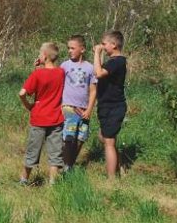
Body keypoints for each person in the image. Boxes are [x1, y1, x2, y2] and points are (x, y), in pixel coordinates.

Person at [18, 42, 65, 186]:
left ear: (44, 56)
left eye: (40, 54)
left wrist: (29, 105)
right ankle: (52, 183)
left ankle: (24, 180)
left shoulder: (37, 74)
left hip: (39, 118)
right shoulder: (61, 72)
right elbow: (49, 78)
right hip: (56, 118)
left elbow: (22, 93)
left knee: (33, 150)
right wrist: (39, 68)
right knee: (55, 153)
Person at [93, 30, 127, 180]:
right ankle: (119, 163)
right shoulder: (112, 62)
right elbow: (99, 70)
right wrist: (99, 54)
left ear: (114, 45)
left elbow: (99, 73)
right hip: (106, 105)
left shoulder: (117, 61)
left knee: (108, 141)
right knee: (104, 137)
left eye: (104, 44)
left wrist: (96, 53)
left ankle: (112, 179)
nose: (102, 46)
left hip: (114, 106)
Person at [60, 35, 97, 172]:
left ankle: (70, 163)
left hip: (83, 109)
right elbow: (58, 85)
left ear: (82, 49)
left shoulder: (90, 68)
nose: (69, 51)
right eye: (68, 48)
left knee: (81, 137)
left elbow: (93, 90)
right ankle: (66, 166)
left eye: (72, 48)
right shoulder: (65, 65)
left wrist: (89, 109)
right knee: (69, 137)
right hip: (69, 107)